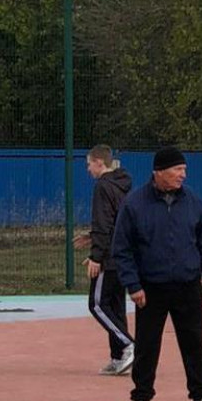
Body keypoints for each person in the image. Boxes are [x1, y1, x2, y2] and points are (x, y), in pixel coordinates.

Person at [112, 146, 202, 401]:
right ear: (159, 172)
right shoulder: (134, 204)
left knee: (194, 344)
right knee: (147, 347)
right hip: (150, 288)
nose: (183, 175)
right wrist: (133, 285)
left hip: (187, 286)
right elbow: (121, 248)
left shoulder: (193, 202)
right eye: (177, 170)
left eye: (184, 170)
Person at [73, 144, 134, 376]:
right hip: (123, 255)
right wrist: (92, 237)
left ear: (99, 162)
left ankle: (129, 345)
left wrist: (96, 256)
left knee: (96, 304)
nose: (88, 169)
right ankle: (119, 357)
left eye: (89, 164)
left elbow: (104, 222)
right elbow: (118, 221)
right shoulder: (123, 185)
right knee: (116, 306)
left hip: (108, 258)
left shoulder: (102, 187)